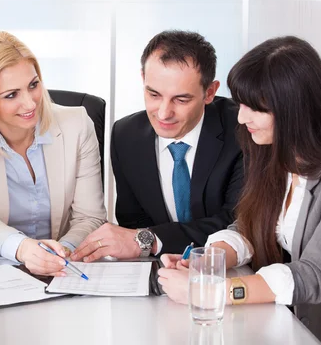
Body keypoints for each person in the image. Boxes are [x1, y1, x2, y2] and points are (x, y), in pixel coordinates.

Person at [158, 36, 321, 345]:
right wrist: (207, 261)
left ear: (294, 109)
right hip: (284, 325)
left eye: (255, 108)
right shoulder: (273, 147)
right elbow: (250, 224)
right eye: (241, 105)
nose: (241, 117)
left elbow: (313, 276)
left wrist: (208, 292)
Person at [0, 31, 106, 276]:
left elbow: (89, 217)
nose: (30, 104)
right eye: (11, 95)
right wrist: (25, 250)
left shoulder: (77, 125)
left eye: (33, 85)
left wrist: (61, 253)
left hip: (64, 268)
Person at [71, 30, 242, 263]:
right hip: (158, 269)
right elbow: (133, 222)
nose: (163, 113)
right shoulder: (125, 135)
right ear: (143, 78)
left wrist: (151, 240)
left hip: (226, 269)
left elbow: (237, 221)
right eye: (153, 94)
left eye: (181, 100)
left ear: (209, 92)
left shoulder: (242, 130)